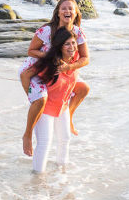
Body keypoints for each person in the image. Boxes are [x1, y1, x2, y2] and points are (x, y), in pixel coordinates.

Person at [19, 0, 89, 156]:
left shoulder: (77, 32)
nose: (67, 11)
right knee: (40, 100)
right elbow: (31, 51)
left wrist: (69, 67)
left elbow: (85, 58)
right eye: (64, 8)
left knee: (83, 88)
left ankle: (69, 116)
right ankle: (27, 135)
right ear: (57, 12)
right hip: (37, 68)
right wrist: (50, 57)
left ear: (76, 12)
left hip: (59, 70)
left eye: (71, 9)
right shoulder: (47, 30)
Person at [23, 28, 87, 172]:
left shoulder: (75, 59)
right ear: (59, 47)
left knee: (65, 139)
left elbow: (86, 59)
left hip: (62, 107)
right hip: (44, 110)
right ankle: (37, 179)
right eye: (67, 44)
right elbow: (25, 75)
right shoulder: (50, 64)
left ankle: (61, 174)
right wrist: (32, 97)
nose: (72, 47)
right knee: (45, 143)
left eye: (73, 43)